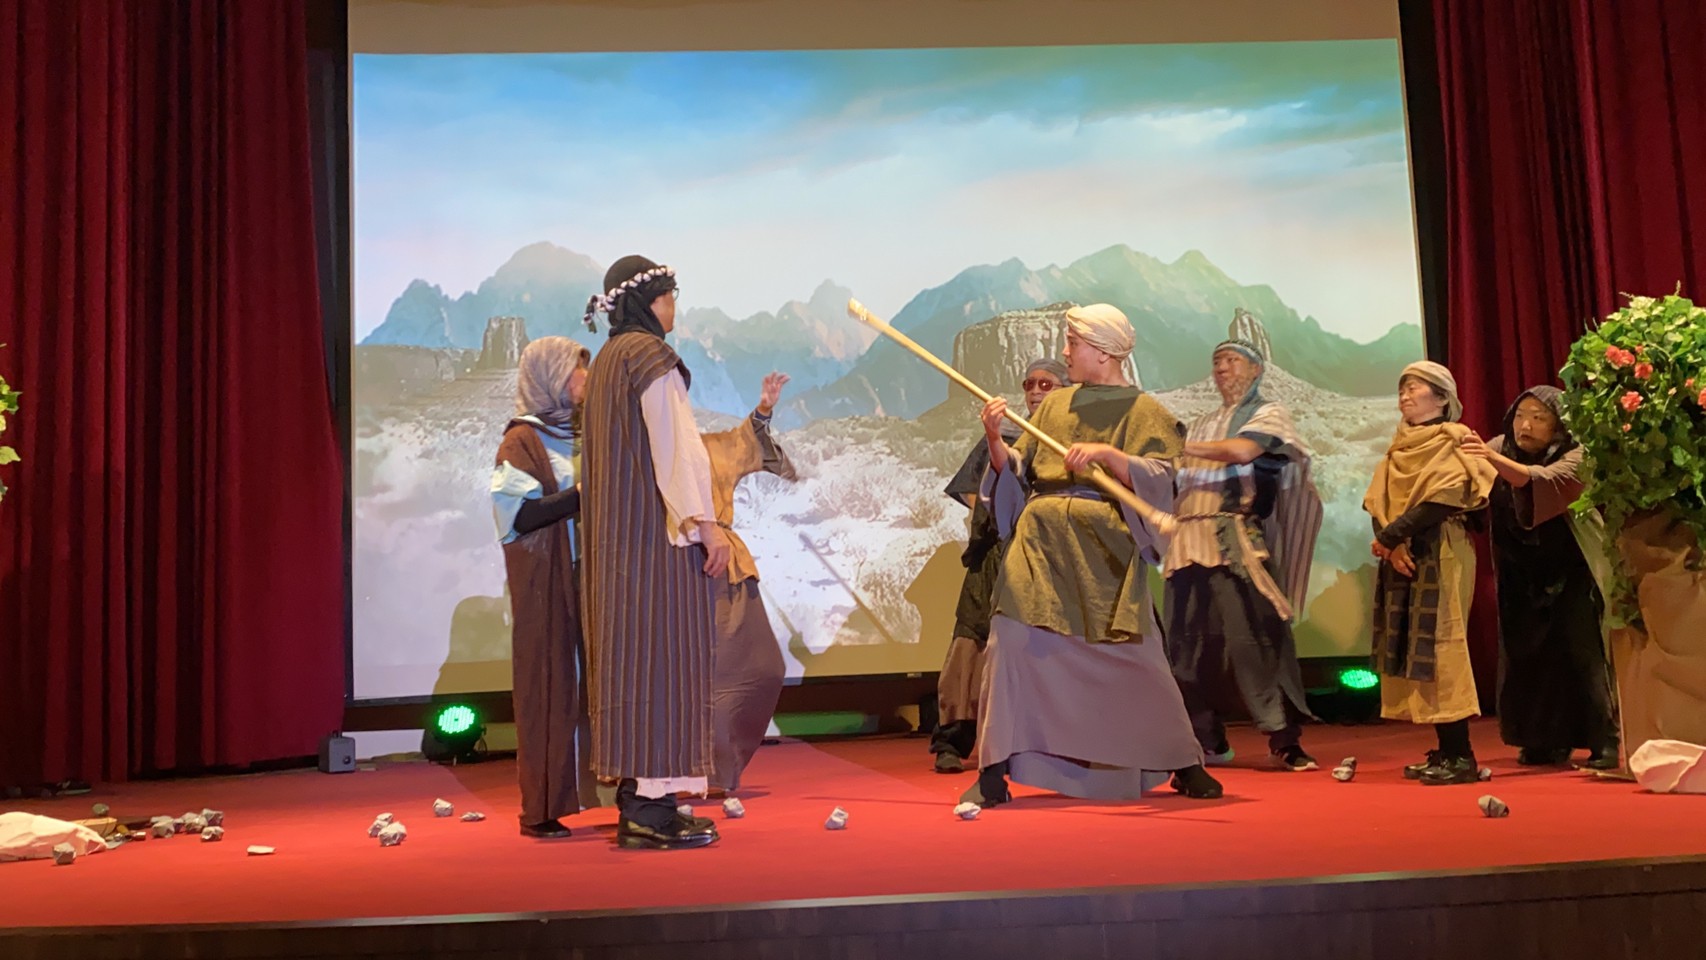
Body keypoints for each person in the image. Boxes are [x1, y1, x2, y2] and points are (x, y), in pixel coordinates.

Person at [965, 303, 1223, 807]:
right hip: (1040, 545)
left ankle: (1183, 761)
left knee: (1135, 656)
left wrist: (1109, 456)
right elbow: (1019, 470)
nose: (1065, 353)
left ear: (1102, 352)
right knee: (1010, 643)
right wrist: (995, 438)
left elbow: (1163, 475)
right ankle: (993, 770)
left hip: (1104, 550)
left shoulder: (1144, 411)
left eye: (1073, 343)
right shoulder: (1056, 405)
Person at [580, 255, 731, 849]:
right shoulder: (649, 358)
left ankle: (643, 800)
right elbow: (678, 452)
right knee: (665, 664)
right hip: (655, 547)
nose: (674, 307)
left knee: (633, 667)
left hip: (618, 551)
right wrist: (707, 525)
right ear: (647, 303)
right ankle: (650, 811)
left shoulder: (607, 362)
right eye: (669, 296)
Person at [1164, 311, 1323, 772]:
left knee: (1253, 636)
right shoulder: (1199, 422)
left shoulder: (1268, 413)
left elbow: (1243, 451)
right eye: (1217, 362)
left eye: (1231, 360)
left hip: (1233, 538)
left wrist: (1177, 447)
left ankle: (1284, 739)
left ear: (1255, 369)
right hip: (1186, 539)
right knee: (1186, 645)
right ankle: (1207, 738)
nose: (1221, 368)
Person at [1461, 386, 1619, 769]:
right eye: (1520, 416)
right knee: (1527, 658)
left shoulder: (1577, 454)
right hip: (1519, 570)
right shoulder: (1498, 447)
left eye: (1538, 417)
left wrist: (1490, 458)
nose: (1525, 426)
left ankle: (1606, 741)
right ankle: (1542, 741)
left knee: (1582, 654)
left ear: (1559, 425)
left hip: (1572, 569)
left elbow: (1542, 480)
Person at [929, 358, 1069, 774]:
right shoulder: (1006, 435)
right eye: (1030, 383)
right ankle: (952, 741)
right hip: (995, 555)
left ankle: (1042, 740)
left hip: (1046, 560)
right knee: (970, 644)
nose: (1036, 391)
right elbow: (974, 494)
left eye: (1046, 383)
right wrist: (1003, 515)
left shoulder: (1069, 442)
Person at [1363, 361, 1496, 786]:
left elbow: (1445, 497)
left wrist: (1392, 537)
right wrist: (1392, 543)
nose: (1405, 395)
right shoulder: (1397, 447)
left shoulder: (1455, 439)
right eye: (1402, 388)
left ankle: (1462, 755)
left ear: (1441, 398)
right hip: (1404, 551)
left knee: (1443, 645)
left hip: (1442, 547)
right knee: (1414, 647)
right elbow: (1378, 500)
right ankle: (1445, 749)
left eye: (1415, 388)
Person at [490, 336, 601, 838]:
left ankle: (611, 791)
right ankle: (541, 807)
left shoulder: (587, 431)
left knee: (599, 686)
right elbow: (518, 516)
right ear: (550, 378)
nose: (585, 380)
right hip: (548, 583)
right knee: (549, 684)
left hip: (591, 581)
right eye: (576, 370)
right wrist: (582, 494)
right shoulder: (522, 441)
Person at [701, 373, 796, 793]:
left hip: (726, 563)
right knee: (705, 675)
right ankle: (702, 771)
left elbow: (743, 443)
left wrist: (763, 411)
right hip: (677, 569)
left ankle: (716, 767)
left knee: (760, 666)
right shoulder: (643, 450)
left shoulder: (704, 447)